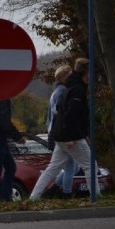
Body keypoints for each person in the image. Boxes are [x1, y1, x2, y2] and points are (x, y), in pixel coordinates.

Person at [30, 58, 98, 200]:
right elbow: (70, 115)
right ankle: (96, 197)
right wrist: (70, 137)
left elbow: (64, 113)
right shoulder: (77, 90)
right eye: (91, 72)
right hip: (70, 136)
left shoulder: (69, 88)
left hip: (61, 135)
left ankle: (33, 197)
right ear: (86, 72)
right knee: (90, 165)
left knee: (52, 169)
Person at [46, 65, 77, 198]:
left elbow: (50, 117)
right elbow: (61, 114)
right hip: (62, 133)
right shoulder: (62, 92)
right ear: (65, 78)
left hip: (55, 132)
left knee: (72, 167)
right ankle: (66, 193)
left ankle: (52, 189)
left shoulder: (56, 92)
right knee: (70, 166)